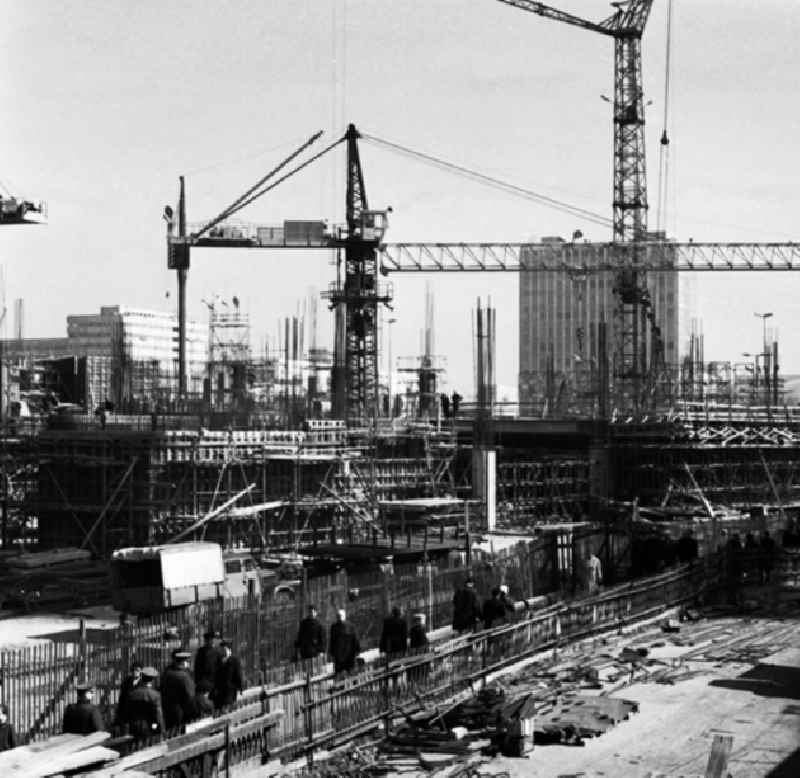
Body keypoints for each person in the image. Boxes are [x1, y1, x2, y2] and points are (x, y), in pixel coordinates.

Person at [160, 650, 197, 731]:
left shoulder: (166, 673)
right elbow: (190, 697)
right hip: (182, 713)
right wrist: (195, 713)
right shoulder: (184, 677)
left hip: (167, 711)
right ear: (184, 662)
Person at [124, 667, 164, 739]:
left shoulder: (132, 694)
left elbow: (127, 713)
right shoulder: (155, 695)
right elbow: (158, 716)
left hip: (134, 728)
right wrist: (159, 730)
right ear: (152, 679)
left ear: (141, 677)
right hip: (150, 729)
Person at [212, 639, 244, 710]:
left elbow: (238, 674)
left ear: (229, 650)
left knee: (228, 707)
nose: (222, 651)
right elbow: (215, 676)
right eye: (221, 649)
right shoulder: (218, 661)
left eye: (224, 649)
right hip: (220, 691)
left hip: (230, 690)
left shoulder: (234, 660)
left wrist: (240, 687)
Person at [328, 609, 361, 675]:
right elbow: (332, 641)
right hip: (339, 656)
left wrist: (357, 650)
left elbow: (355, 639)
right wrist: (331, 653)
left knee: (352, 674)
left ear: (344, 616)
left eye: (340, 616)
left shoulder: (351, 626)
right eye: (338, 616)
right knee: (340, 675)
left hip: (349, 654)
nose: (339, 617)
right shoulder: (334, 627)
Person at [116, 661, 143, 728]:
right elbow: (122, 698)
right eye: (133, 670)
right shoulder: (126, 681)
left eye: (137, 670)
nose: (135, 672)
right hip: (126, 713)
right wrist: (119, 713)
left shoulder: (143, 683)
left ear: (141, 671)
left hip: (138, 714)